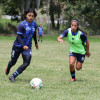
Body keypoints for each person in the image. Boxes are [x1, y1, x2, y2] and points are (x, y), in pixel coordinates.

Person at [5, 9, 38, 82]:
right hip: (17, 46)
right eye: (29, 15)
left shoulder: (35, 25)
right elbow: (19, 37)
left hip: (27, 47)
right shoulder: (22, 25)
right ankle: (8, 67)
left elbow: (34, 34)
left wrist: (36, 43)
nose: (30, 17)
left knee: (27, 62)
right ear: (26, 15)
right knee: (13, 62)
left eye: (32, 16)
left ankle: (13, 76)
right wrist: (23, 45)